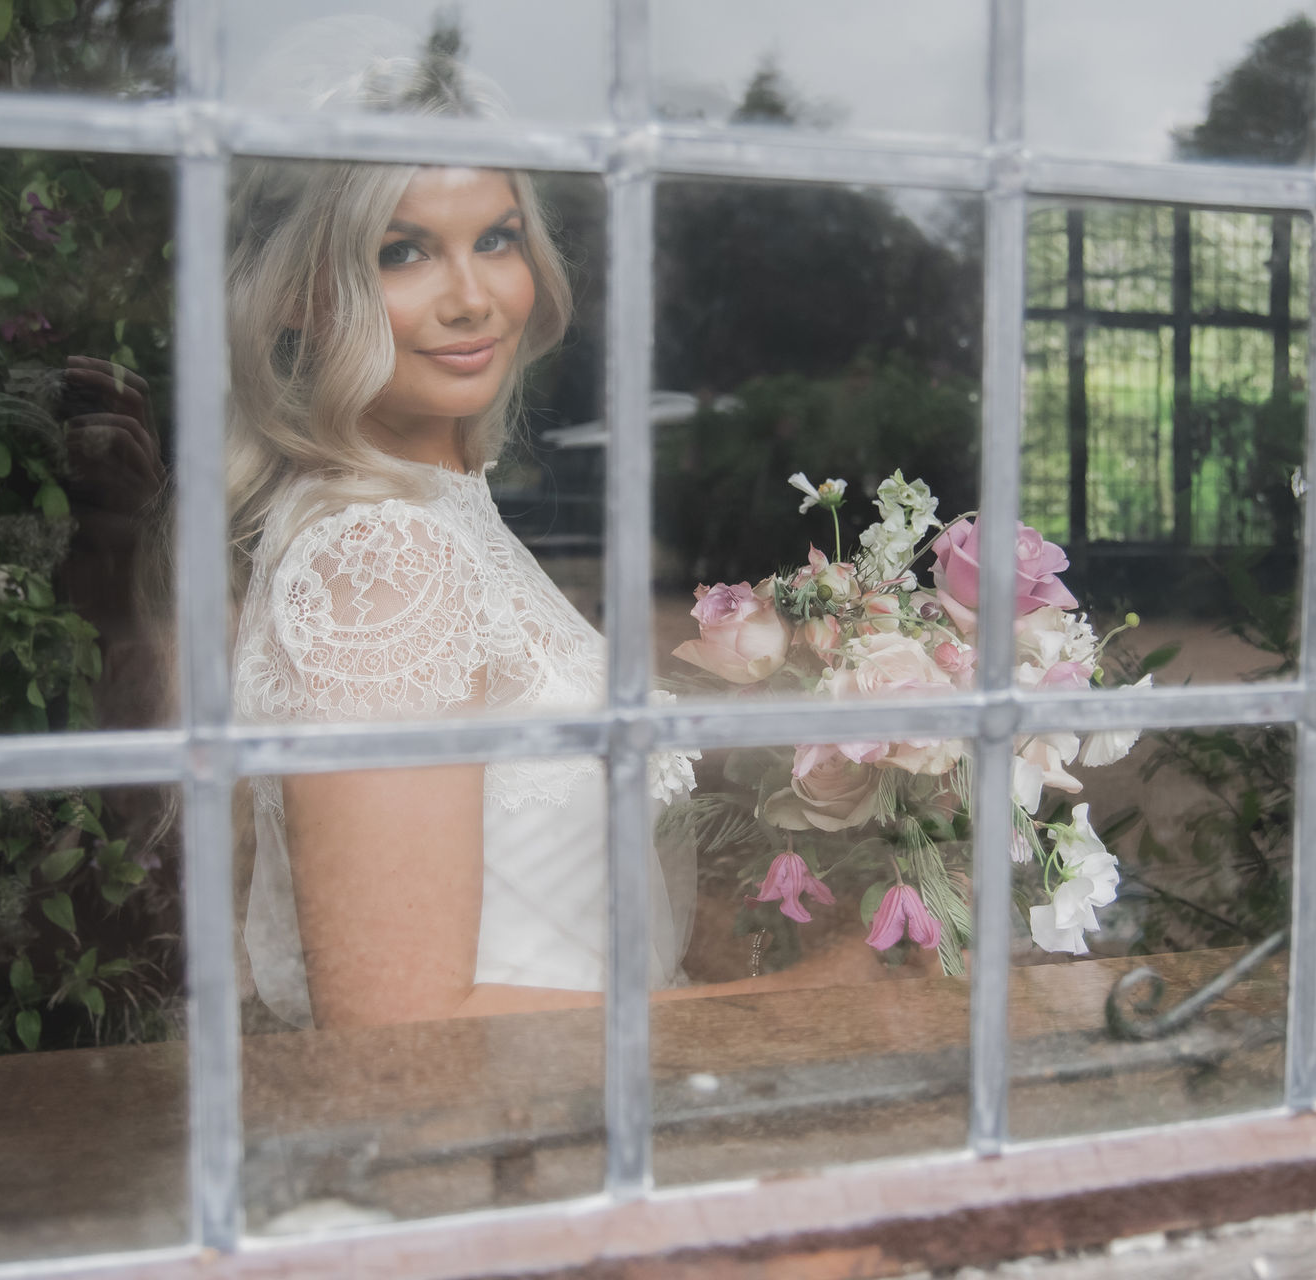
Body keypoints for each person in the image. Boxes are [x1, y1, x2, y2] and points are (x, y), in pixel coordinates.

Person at [229, 30, 899, 1030]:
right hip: (517, 1153)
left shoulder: (436, 515)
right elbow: (400, 1036)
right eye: (402, 251)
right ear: (298, 295)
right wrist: (784, 1010)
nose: (472, 297)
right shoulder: (383, 559)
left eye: (493, 238)